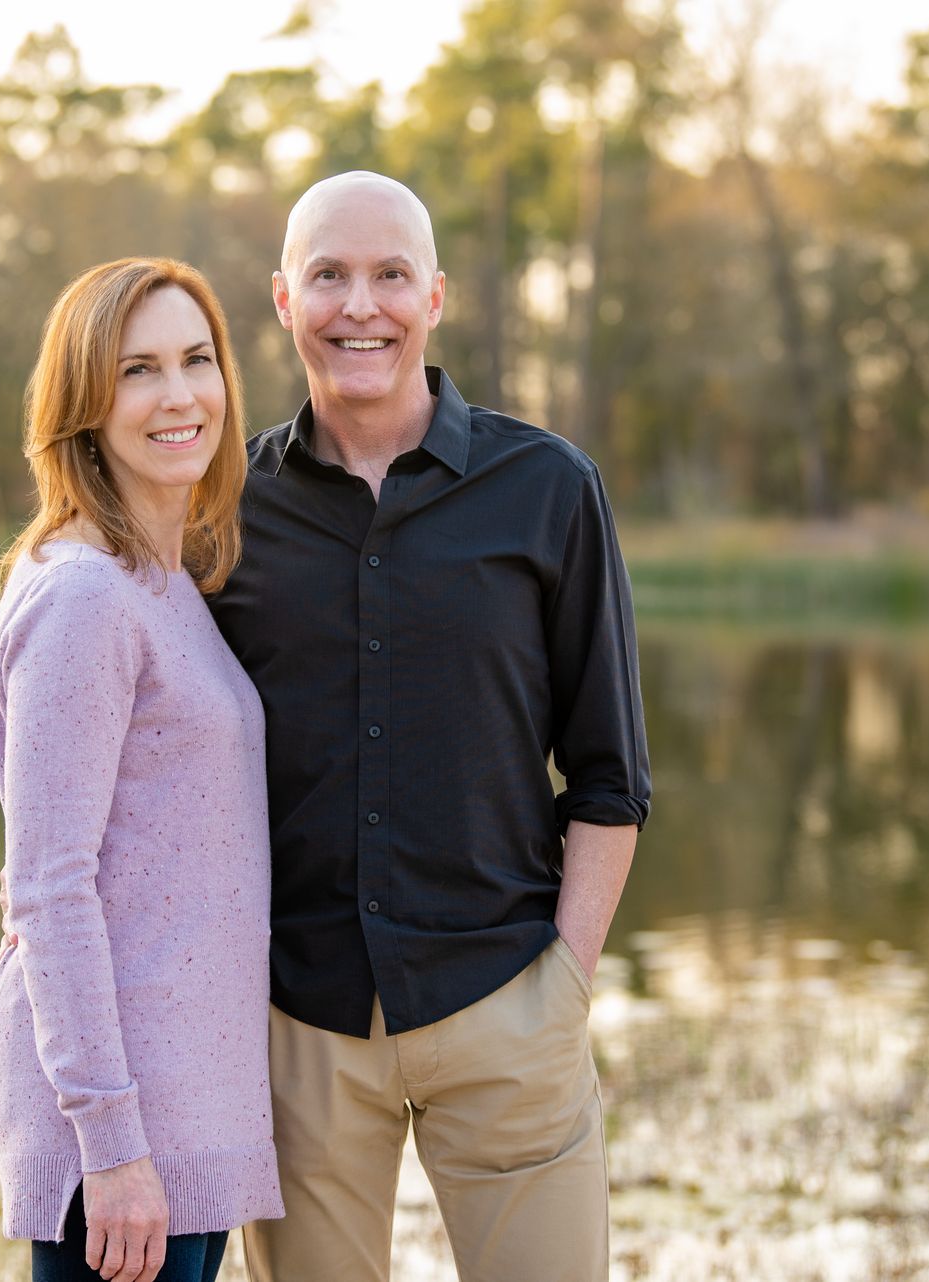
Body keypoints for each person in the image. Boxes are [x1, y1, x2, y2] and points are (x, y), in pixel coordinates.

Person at [207, 171, 651, 1282]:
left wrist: (565, 988)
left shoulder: (547, 488)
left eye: (390, 275)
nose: (362, 307)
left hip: (507, 999)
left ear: (436, 296)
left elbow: (610, 777)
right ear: (281, 299)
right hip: (298, 1023)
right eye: (330, 276)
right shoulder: (219, 509)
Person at [0, 257, 283, 1282]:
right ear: (84, 406)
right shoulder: (83, 598)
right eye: (139, 369)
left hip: (183, 1126)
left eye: (197, 360)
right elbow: (49, 887)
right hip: (121, 1150)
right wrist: (110, 1145)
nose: (180, 394)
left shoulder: (164, 583)